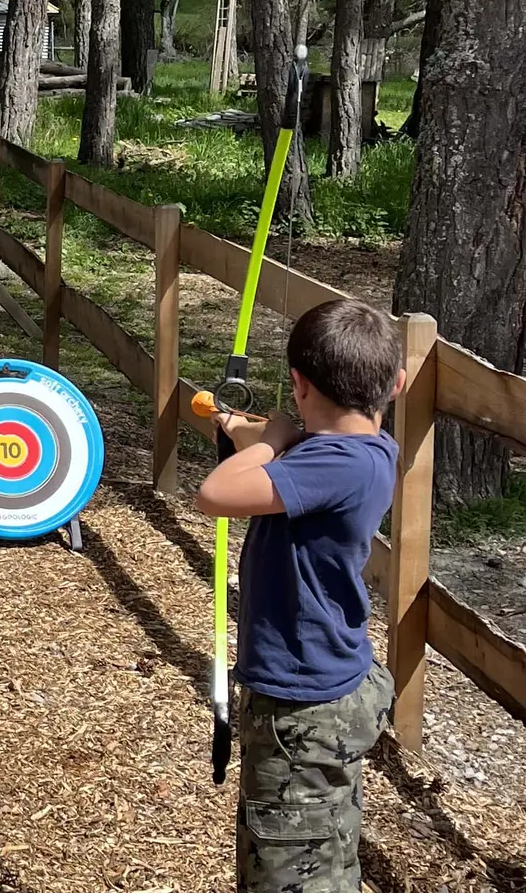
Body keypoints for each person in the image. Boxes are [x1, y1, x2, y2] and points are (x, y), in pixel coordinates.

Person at [196, 298, 405, 893]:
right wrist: (246, 429)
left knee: (290, 869)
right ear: (396, 383)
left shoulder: (331, 465)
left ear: (299, 383)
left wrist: (271, 439)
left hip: (302, 711)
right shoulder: (370, 449)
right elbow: (299, 449)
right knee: (325, 848)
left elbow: (214, 494)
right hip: (329, 688)